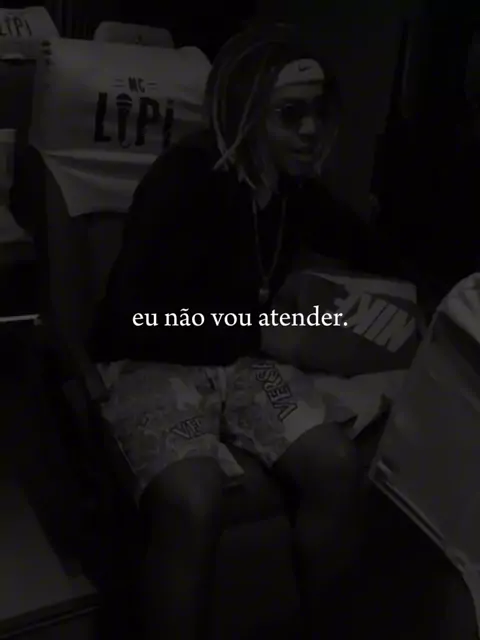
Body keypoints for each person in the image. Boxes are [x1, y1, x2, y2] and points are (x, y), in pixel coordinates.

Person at [93, 23, 404, 639]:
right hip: (154, 359)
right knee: (194, 498)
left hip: (240, 360)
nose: (310, 130)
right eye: (291, 115)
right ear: (248, 115)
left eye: (317, 113)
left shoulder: (292, 192)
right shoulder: (182, 180)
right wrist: (257, 330)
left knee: (335, 466)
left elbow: (370, 248)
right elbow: (130, 320)